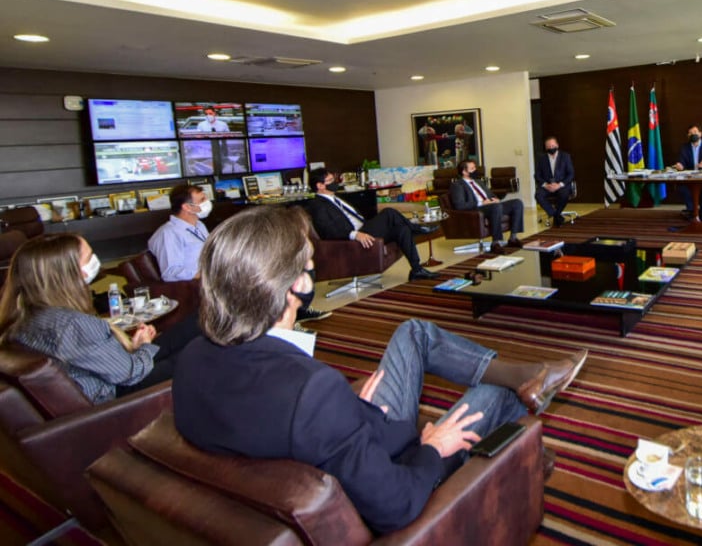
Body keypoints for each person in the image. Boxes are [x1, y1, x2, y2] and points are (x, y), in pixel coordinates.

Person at [173, 206, 588, 534]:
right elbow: (395, 507)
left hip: (352, 436)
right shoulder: (312, 391)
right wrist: (432, 450)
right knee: (497, 394)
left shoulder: (193, 359)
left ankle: (526, 388)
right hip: (397, 470)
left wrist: (350, 413)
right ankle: (522, 452)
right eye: (309, 262)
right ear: (296, 286)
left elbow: (285, 425)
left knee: (414, 333)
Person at [0, 234, 200, 404]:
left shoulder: (25, 315)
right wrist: (144, 347)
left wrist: (138, 347)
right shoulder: (72, 324)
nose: (96, 260)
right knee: (198, 352)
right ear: (68, 273)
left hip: (112, 370)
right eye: (89, 257)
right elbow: (131, 373)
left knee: (195, 323)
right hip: (120, 391)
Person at [307, 168, 442, 282]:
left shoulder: (336, 199)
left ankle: (416, 270)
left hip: (364, 228)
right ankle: (417, 229)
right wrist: (355, 235)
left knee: (402, 229)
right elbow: (327, 231)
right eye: (330, 181)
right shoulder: (318, 205)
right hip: (354, 239)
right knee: (388, 212)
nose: (335, 183)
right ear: (320, 185)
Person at [450, 160, 525, 249]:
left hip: (491, 205)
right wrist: (481, 202)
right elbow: (460, 205)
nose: (475, 170)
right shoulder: (457, 185)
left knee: (517, 203)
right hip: (477, 208)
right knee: (496, 207)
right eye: (472, 168)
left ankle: (513, 238)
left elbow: (490, 194)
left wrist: (495, 199)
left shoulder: (478, 182)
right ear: (464, 172)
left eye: (475, 168)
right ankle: (495, 243)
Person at [147, 183, 211, 282]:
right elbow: (171, 273)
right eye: (202, 200)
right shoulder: (169, 233)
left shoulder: (199, 225)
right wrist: (205, 275)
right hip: (196, 285)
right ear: (187, 207)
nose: (208, 202)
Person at [672, 125, 702, 219]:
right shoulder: (684, 148)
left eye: (695, 132)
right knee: (682, 189)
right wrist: (680, 166)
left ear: (700, 134)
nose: (693, 134)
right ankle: (692, 212)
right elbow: (681, 162)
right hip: (690, 178)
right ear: (688, 136)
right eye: (690, 133)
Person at [534, 136, 574, 226]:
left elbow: (571, 174)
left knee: (564, 194)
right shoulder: (542, 158)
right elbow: (537, 175)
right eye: (548, 146)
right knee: (538, 195)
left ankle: (556, 215)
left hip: (561, 185)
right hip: (547, 186)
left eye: (553, 145)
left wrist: (559, 185)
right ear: (546, 148)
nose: (551, 148)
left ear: (557, 145)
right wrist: (545, 185)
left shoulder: (565, 156)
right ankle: (556, 215)